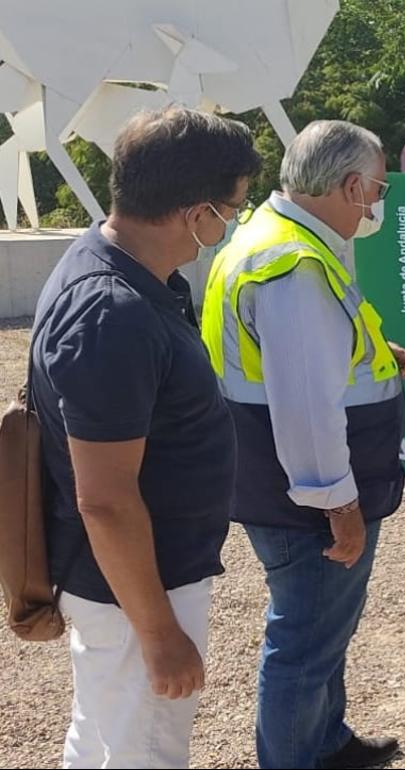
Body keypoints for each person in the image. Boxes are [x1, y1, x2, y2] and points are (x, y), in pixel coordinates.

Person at [28, 106, 260, 768]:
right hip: (137, 589)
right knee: (144, 754)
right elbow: (104, 497)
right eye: (231, 208)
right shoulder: (112, 314)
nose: (231, 223)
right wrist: (159, 633)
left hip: (126, 581)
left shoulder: (123, 267)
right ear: (196, 212)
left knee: (101, 737)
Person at [201, 120, 405, 769]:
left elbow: (305, 358)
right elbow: (304, 405)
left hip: (275, 478)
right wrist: (338, 504)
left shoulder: (273, 238)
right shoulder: (293, 265)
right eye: (374, 191)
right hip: (303, 494)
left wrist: (378, 353)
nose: (374, 206)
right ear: (351, 186)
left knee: (323, 630)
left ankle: (326, 743)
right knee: (304, 642)